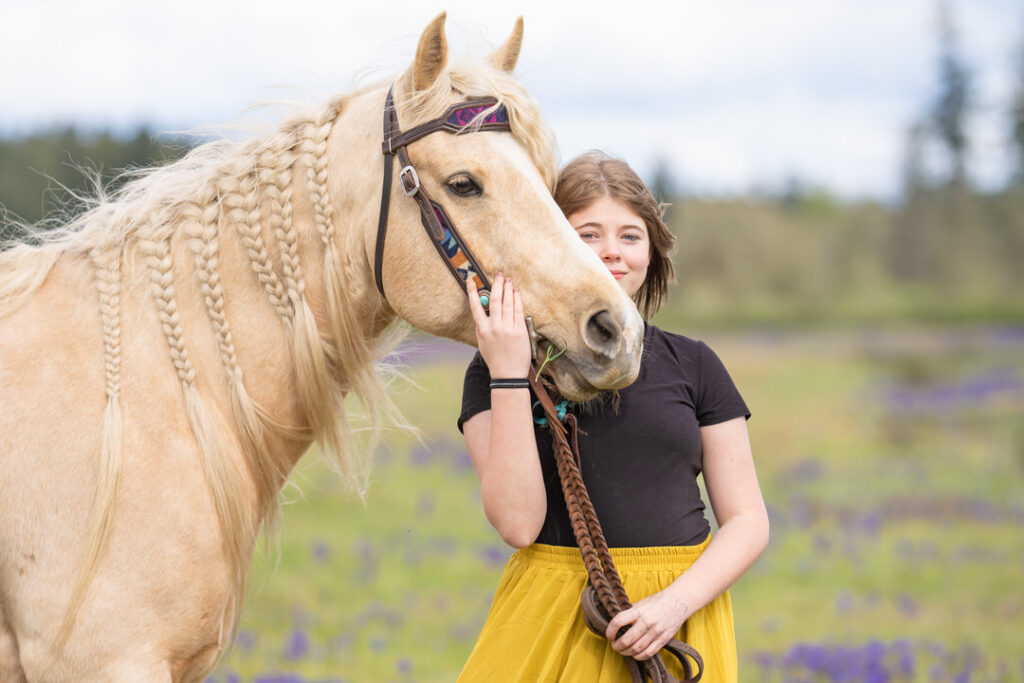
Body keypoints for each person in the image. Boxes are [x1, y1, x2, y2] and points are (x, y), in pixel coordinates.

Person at [456, 151, 769, 682]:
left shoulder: (694, 365)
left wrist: (672, 606)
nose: (612, 252)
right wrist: (509, 372)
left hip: (677, 619)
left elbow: (748, 522)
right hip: (555, 615)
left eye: (630, 235)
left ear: (651, 251)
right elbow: (517, 523)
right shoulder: (493, 371)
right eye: (587, 235)